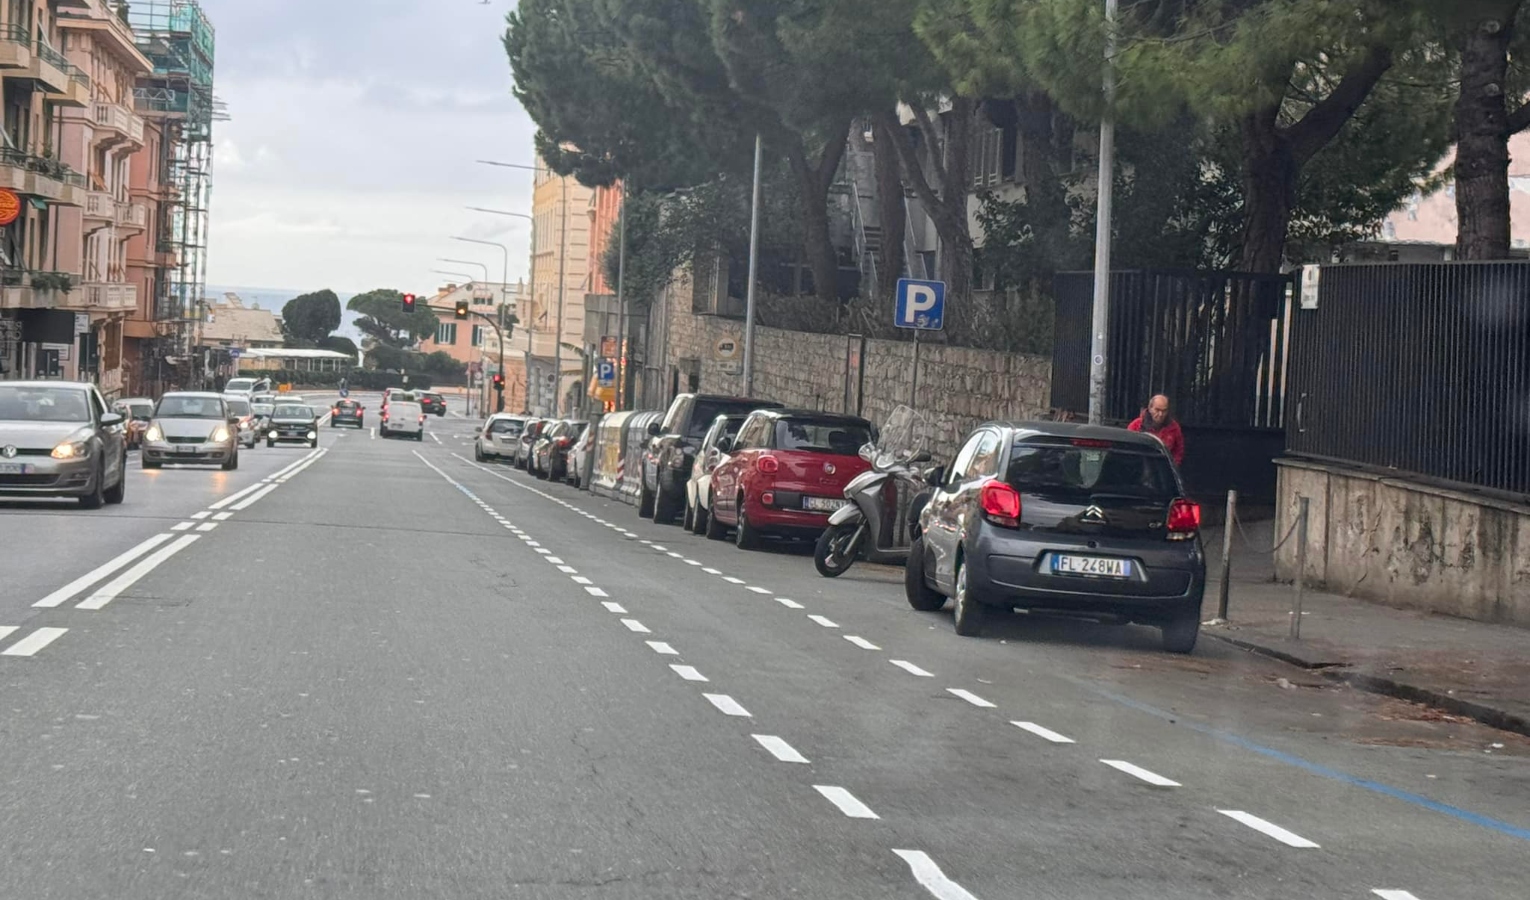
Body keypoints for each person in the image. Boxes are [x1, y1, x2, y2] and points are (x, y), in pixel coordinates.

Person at [1127, 394, 1185, 466]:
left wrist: (1173, 466)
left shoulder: (1174, 427)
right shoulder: (1136, 425)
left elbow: (1179, 450)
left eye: (1164, 411)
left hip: (1163, 468)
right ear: (1150, 408)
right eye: (1157, 410)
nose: (1160, 414)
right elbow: (1127, 447)